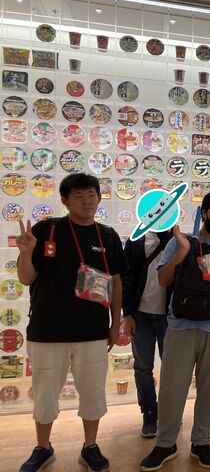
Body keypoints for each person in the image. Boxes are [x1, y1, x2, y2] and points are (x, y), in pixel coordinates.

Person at [17, 173, 124, 472]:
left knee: (93, 392)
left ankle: (90, 446)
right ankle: (43, 447)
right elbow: (26, 278)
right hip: (47, 330)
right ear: (65, 200)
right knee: (45, 393)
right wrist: (26, 254)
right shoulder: (46, 230)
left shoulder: (108, 236)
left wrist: (115, 324)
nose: (86, 201)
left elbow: (116, 282)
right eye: (78, 196)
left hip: (92, 330)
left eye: (91, 194)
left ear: (99, 197)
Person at [140, 191, 210, 471]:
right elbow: (163, 280)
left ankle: (202, 442)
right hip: (182, 325)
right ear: (204, 213)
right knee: (172, 388)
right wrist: (182, 252)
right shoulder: (182, 242)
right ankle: (165, 443)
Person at [122, 230, 173, 438]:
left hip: (170, 316)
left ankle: (170, 412)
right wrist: (127, 314)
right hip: (140, 314)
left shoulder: (178, 239)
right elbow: (126, 278)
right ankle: (149, 412)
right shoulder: (135, 240)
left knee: (172, 368)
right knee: (143, 367)